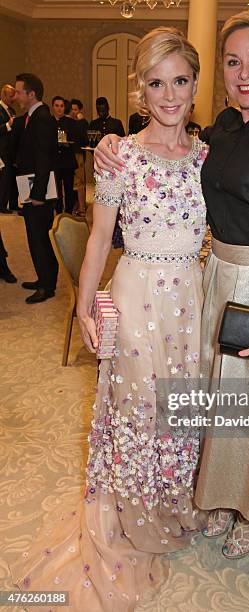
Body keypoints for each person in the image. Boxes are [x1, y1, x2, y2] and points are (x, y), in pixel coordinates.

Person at [96, 7, 249, 561]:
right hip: (216, 281)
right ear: (222, 72)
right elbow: (171, 166)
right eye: (234, 61)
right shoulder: (224, 130)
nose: (246, 71)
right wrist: (111, 146)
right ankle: (221, 500)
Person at [13, 27, 207, 610]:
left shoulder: (205, 155)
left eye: (180, 81)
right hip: (138, 290)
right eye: (156, 82)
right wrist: (83, 301)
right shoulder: (119, 152)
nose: (168, 94)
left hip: (190, 297)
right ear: (139, 89)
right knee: (139, 406)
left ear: (196, 85)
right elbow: (99, 237)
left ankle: (175, 498)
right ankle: (134, 510)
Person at [14, 73, 58, 304]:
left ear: (31, 94)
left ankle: (47, 286)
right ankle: (43, 278)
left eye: (20, 92)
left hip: (37, 190)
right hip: (30, 186)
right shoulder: (32, 116)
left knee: (39, 236)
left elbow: (44, 159)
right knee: (35, 235)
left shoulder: (41, 117)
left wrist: (38, 194)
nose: (16, 95)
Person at [51, 95, 78, 214]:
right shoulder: (48, 122)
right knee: (56, 190)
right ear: (53, 107)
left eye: (61, 106)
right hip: (54, 161)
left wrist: (68, 143)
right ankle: (58, 211)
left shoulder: (71, 122)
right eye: (57, 106)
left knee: (69, 189)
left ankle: (68, 212)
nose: (59, 108)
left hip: (68, 161)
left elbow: (77, 140)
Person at [0, 84, 18, 214]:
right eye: (12, 96)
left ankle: (12, 203)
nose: (14, 99)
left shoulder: (12, 110)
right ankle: (1, 205)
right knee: (4, 179)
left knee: (11, 179)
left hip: (11, 150)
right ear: (4, 95)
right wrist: (8, 125)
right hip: (2, 150)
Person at [70, 98, 89, 216]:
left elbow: (85, 138)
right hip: (68, 154)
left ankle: (82, 208)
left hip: (78, 154)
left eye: (75, 109)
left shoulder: (82, 123)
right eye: (71, 109)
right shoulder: (67, 121)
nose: (73, 111)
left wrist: (81, 121)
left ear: (80, 110)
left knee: (79, 181)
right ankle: (73, 205)